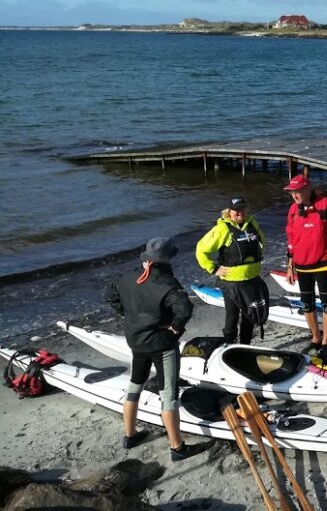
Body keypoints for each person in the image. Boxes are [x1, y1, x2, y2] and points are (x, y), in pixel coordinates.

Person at [106, 237, 200, 461]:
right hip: (162, 344)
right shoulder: (167, 282)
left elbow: (110, 296)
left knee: (135, 386)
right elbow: (185, 308)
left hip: (136, 341)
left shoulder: (128, 277)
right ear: (167, 260)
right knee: (168, 394)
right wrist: (175, 328)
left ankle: (129, 436)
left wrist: (129, 317)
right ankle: (177, 448)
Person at [283, 174, 327, 350]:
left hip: (324, 262)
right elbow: (290, 237)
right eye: (292, 193)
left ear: (307, 189)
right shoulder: (293, 210)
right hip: (302, 265)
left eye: (298, 191)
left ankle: (326, 340)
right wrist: (290, 265)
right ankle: (315, 337)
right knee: (307, 303)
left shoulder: (325, 204)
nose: (295, 196)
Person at [195, 196, 268, 344]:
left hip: (252, 279)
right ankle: (229, 344)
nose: (239, 213)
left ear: (246, 209)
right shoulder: (222, 229)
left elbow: (262, 242)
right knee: (232, 316)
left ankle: (245, 345)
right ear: (229, 212)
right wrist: (213, 269)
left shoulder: (252, 223)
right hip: (232, 283)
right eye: (236, 210)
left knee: (250, 315)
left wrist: (256, 261)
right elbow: (201, 250)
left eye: (242, 209)